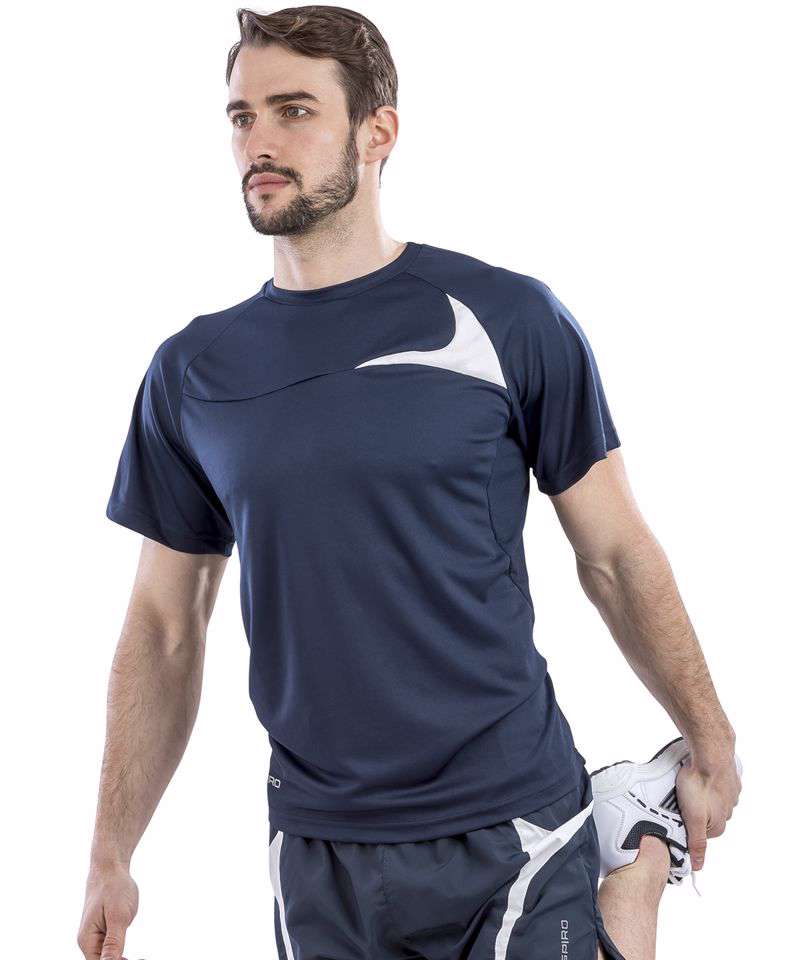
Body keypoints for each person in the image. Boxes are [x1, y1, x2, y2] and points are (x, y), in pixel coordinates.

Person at [78, 7, 741, 960]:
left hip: (510, 808)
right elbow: (163, 625)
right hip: (318, 844)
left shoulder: (506, 318)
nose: (259, 142)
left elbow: (613, 553)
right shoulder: (191, 372)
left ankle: (633, 860)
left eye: (294, 110)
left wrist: (707, 732)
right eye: (241, 116)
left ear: (377, 132)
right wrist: (112, 851)